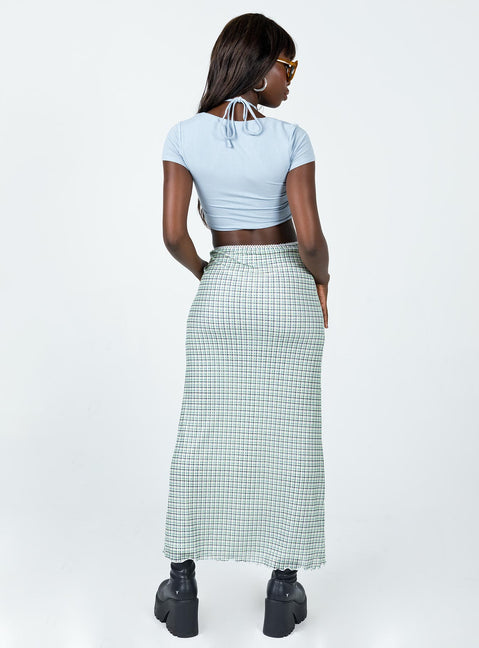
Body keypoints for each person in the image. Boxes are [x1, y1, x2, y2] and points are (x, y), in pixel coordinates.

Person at [154, 12, 330, 639]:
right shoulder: (291, 138)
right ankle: (282, 589)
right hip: (285, 288)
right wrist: (323, 279)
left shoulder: (182, 135)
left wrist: (208, 271)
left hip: (223, 287)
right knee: (290, 432)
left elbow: (173, 233)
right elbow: (310, 239)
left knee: (201, 432)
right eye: (288, 65)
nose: (291, 79)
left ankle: (182, 586)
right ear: (258, 70)